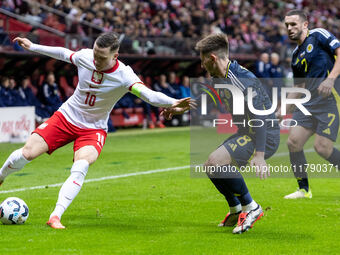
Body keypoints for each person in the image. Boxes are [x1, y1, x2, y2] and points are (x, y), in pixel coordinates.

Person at [0, 32, 193, 229]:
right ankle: (0, 177)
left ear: (115, 57)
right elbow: (62, 53)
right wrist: (33, 47)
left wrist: (173, 102)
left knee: (81, 165)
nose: (96, 60)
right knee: (27, 153)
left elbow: (147, 94)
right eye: (95, 54)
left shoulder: (124, 75)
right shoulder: (85, 57)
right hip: (66, 117)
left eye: (101, 58)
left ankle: (55, 215)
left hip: (93, 129)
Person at [164, 33, 280, 234]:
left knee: (217, 161)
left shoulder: (243, 79)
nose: (201, 66)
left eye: (202, 61)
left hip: (264, 135)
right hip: (247, 131)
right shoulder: (219, 76)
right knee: (210, 166)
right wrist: (183, 108)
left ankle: (251, 207)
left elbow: (260, 117)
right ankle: (235, 209)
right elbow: (209, 96)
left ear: (212, 58)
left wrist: (260, 155)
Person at [279, 10, 340, 199]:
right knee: (293, 142)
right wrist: (284, 108)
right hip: (308, 103)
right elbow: (299, 86)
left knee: (322, 148)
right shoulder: (296, 55)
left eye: (294, 24)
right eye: (287, 25)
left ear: (305, 25)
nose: (289, 28)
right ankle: (304, 190)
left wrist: (330, 79)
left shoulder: (318, 35)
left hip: (329, 99)